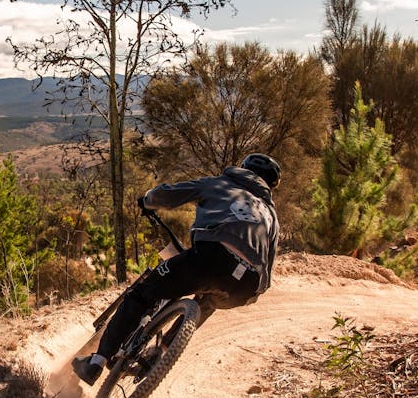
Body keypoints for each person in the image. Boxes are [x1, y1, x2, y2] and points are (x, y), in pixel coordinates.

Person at [72, 153, 281, 385]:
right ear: (270, 186)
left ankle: (96, 363)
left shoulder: (220, 183)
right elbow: (268, 269)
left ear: (243, 169)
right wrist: (249, 294)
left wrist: (147, 200)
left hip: (210, 258)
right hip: (247, 286)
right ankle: (160, 353)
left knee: (143, 293)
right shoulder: (271, 216)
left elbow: (167, 195)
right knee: (207, 302)